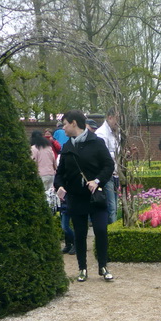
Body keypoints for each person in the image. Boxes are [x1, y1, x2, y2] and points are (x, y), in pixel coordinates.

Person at [54, 109, 115, 282]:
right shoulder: (67, 147)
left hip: (95, 196)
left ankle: (103, 266)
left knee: (101, 230)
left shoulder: (97, 142)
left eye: (65, 124)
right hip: (76, 198)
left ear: (74, 123)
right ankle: (82, 268)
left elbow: (108, 165)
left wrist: (97, 181)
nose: (63, 128)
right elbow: (60, 173)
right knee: (79, 234)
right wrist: (59, 186)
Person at [95, 109, 120, 223]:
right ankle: (110, 234)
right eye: (117, 119)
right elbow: (102, 156)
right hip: (107, 175)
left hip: (116, 174)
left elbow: (116, 152)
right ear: (110, 117)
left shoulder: (116, 133)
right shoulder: (101, 133)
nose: (119, 123)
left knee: (115, 207)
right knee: (111, 207)